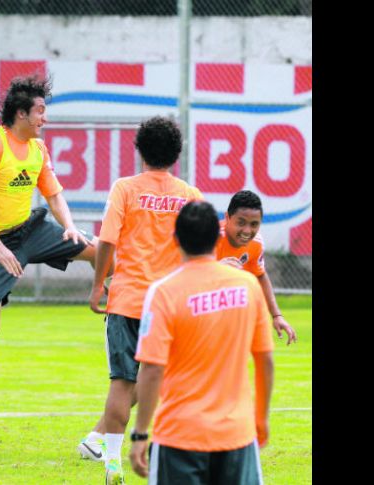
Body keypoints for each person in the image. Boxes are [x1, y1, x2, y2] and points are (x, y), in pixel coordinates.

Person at [0, 74, 100, 447]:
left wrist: (70, 227)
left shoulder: (39, 150)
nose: (45, 119)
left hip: (29, 231)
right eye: (40, 111)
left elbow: (53, 195)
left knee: (100, 250)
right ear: (21, 114)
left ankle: (118, 301)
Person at [78, 116, 203, 484]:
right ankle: (170, 451)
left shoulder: (125, 188)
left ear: (140, 150)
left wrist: (98, 284)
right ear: (176, 154)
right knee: (167, 380)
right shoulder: (190, 195)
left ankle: (112, 460)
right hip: (170, 304)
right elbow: (199, 248)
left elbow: (107, 241)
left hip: (127, 300)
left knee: (122, 382)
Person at [128, 200, 274, 484]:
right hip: (237, 434)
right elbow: (265, 360)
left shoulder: (163, 292)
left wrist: (140, 433)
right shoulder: (247, 287)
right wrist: (261, 419)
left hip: (179, 436)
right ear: (217, 236)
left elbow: (153, 369)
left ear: (176, 239)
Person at [217, 190, 297, 345]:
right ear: (227, 218)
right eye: (241, 222)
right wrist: (214, 269)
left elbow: (260, 275)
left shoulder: (256, 243)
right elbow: (187, 273)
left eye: (254, 224)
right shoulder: (211, 238)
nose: (247, 231)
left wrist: (276, 315)